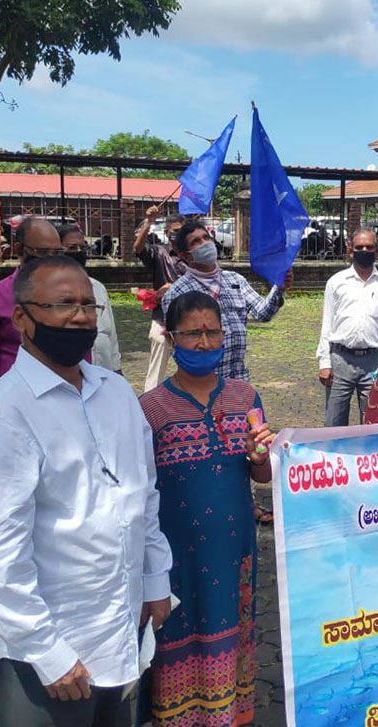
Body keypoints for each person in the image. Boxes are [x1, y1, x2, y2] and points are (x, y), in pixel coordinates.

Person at [0, 255, 172, 727]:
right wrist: (46, 651)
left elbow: (143, 496)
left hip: (120, 626)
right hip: (51, 650)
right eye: (62, 304)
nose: (79, 317)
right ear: (21, 318)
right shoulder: (3, 417)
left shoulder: (116, 393)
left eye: (88, 305)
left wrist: (156, 580)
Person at [138, 291, 275, 727]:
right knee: (178, 635)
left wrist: (258, 454)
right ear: (171, 339)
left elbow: (262, 474)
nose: (203, 342)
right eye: (192, 333)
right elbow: (139, 491)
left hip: (234, 551)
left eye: (212, 332)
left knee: (230, 630)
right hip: (175, 556)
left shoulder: (246, 398)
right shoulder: (149, 410)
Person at [161, 219, 293, 382]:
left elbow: (263, 313)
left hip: (238, 380)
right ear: (185, 255)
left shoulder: (235, 280)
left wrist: (279, 288)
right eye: (196, 242)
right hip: (202, 384)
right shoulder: (177, 293)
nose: (204, 243)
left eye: (206, 237)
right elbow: (177, 345)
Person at [0, 216, 66, 403]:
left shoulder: (70, 297)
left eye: (57, 253)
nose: (52, 260)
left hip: (62, 398)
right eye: (43, 252)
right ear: (19, 250)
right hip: (11, 401)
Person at [317, 229, 378, 426]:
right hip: (340, 359)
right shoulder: (336, 282)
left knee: (373, 422)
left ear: (377, 251)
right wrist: (324, 363)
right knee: (334, 423)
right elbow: (327, 323)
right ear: (350, 250)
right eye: (360, 247)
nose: (364, 251)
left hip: (374, 361)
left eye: (369, 247)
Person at [57, 223, 122, 373]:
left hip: (104, 371)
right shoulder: (49, 291)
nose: (78, 252)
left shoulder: (97, 287)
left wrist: (117, 368)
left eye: (82, 247)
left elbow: (111, 334)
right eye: (72, 248)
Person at [134, 209, 187, 391]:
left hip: (189, 316)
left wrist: (173, 287)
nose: (178, 235)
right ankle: (149, 400)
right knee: (156, 367)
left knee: (192, 364)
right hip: (162, 317)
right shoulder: (159, 253)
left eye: (182, 231)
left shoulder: (191, 256)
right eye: (175, 231)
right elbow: (138, 249)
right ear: (166, 233)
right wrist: (149, 222)